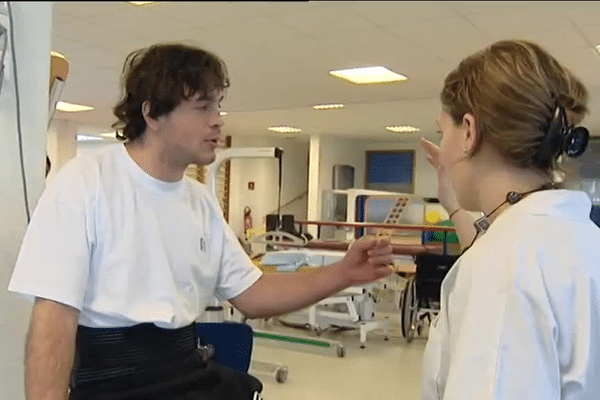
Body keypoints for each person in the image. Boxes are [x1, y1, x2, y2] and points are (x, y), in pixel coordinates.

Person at [7, 43, 395, 400]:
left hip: (185, 371)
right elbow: (54, 317)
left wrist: (343, 274)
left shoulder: (200, 201)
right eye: (203, 107)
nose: (218, 121)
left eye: (219, 106)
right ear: (153, 113)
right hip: (112, 380)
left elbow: (252, 294)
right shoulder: (85, 183)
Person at [419, 39, 600, 399]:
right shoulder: (578, 235)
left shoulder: (503, 267)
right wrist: (452, 202)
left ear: (469, 132)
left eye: (445, 133)